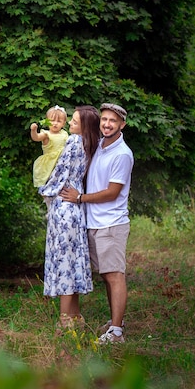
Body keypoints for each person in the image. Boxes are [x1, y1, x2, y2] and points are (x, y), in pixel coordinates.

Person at [60, 103, 134, 344]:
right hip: (94, 223)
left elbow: (112, 192)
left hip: (111, 224)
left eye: (113, 120)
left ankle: (116, 332)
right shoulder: (101, 145)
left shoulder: (122, 154)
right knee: (106, 276)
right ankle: (117, 322)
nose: (107, 124)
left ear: (122, 125)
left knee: (115, 276)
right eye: (104, 119)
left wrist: (80, 198)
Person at [38, 105, 101, 330]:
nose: (71, 124)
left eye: (75, 121)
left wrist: (44, 189)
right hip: (74, 210)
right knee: (72, 260)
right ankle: (75, 317)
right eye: (72, 120)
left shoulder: (75, 141)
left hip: (64, 206)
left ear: (84, 126)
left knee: (64, 260)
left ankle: (65, 320)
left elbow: (60, 172)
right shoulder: (89, 143)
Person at [30, 105, 68, 189]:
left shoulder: (64, 134)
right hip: (50, 164)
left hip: (62, 161)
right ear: (47, 121)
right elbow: (36, 138)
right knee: (49, 183)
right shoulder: (46, 134)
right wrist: (33, 130)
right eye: (52, 120)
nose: (55, 123)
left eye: (59, 121)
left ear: (64, 123)